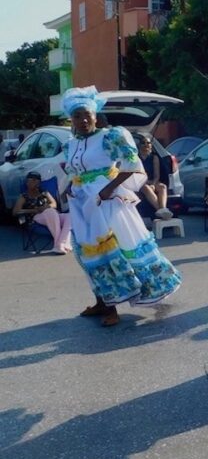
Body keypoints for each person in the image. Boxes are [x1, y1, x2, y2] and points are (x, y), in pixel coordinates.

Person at [61, 86, 181, 327]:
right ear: (70, 119)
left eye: (87, 115)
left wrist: (108, 188)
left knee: (110, 252)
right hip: (82, 204)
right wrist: (67, 190)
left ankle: (113, 308)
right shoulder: (70, 144)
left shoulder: (110, 137)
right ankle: (102, 301)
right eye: (77, 116)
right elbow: (73, 171)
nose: (83, 120)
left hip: (107, 203)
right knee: (88, 254)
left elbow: (132, 164)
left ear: (96, 115)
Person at [14, 171, 71, 254]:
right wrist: (34, 210)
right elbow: (16, 211)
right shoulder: (24, 196)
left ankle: (60, 244)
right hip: (36, 217)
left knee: (70, 217)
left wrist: (45, 207)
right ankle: (60, 245)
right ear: (27, 182)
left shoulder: (44, 192)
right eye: (32, 180)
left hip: (53, 214)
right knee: (50, 212)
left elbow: (54, 204)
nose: (34, 182)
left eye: (37, 180)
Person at [135, 134, 173, 220]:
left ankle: (163, 209)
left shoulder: (154, 157)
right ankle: (160, 211)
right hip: (141, 182)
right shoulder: (136, 158)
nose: (146, 145)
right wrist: (148, 183)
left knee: (163, 187)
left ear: (151, 145)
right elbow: (137, 175)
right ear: (139, 145)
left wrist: (153, 184)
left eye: (148, 143)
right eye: (143, 143)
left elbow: (157, 175)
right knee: (146, 188)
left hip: (153, 181)